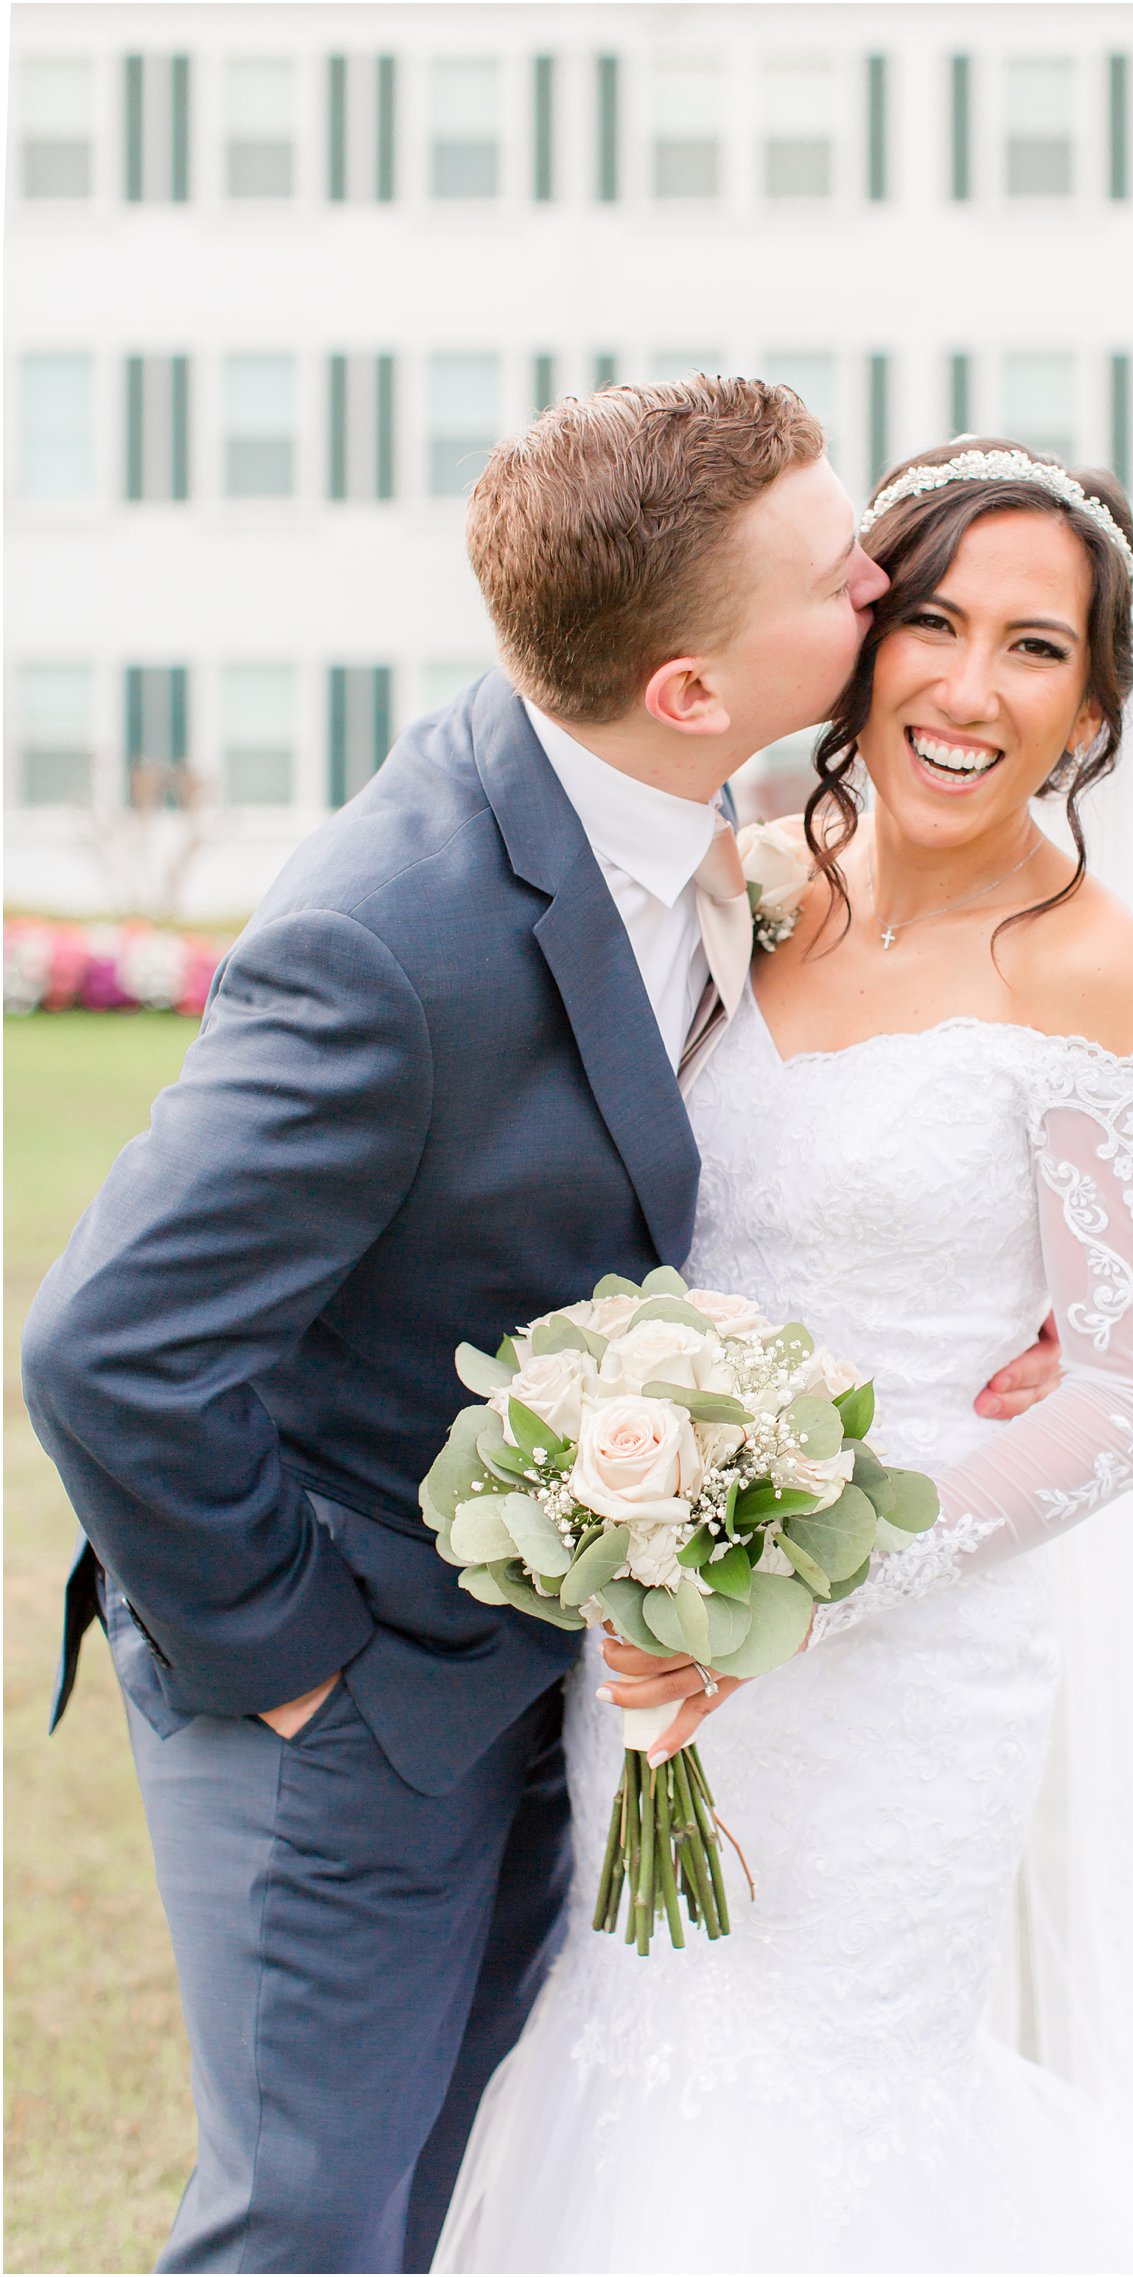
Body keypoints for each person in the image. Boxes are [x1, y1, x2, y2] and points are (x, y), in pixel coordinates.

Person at [432, 441, 1133, 2273]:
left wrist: (797, 1590)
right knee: (638, 2031)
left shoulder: (1098, 975)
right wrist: (645, 1538)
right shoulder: (744, 891)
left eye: (1035, 646)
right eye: (930, 621)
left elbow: (1122, 1388)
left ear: (1093, 706)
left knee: (834, 2079)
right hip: (649, 1617)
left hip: (905, 1657)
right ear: (858, 648)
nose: (967, 685)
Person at [19, 381, 1061, 2276]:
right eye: (845, 577)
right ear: (685, 686)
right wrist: (297, 1669)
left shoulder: (674, 813)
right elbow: (109, 1345)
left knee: (460, 2190)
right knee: (316, 2220)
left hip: (533, 1671)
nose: (886, 581)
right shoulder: (391, 938)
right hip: (337, 1689)